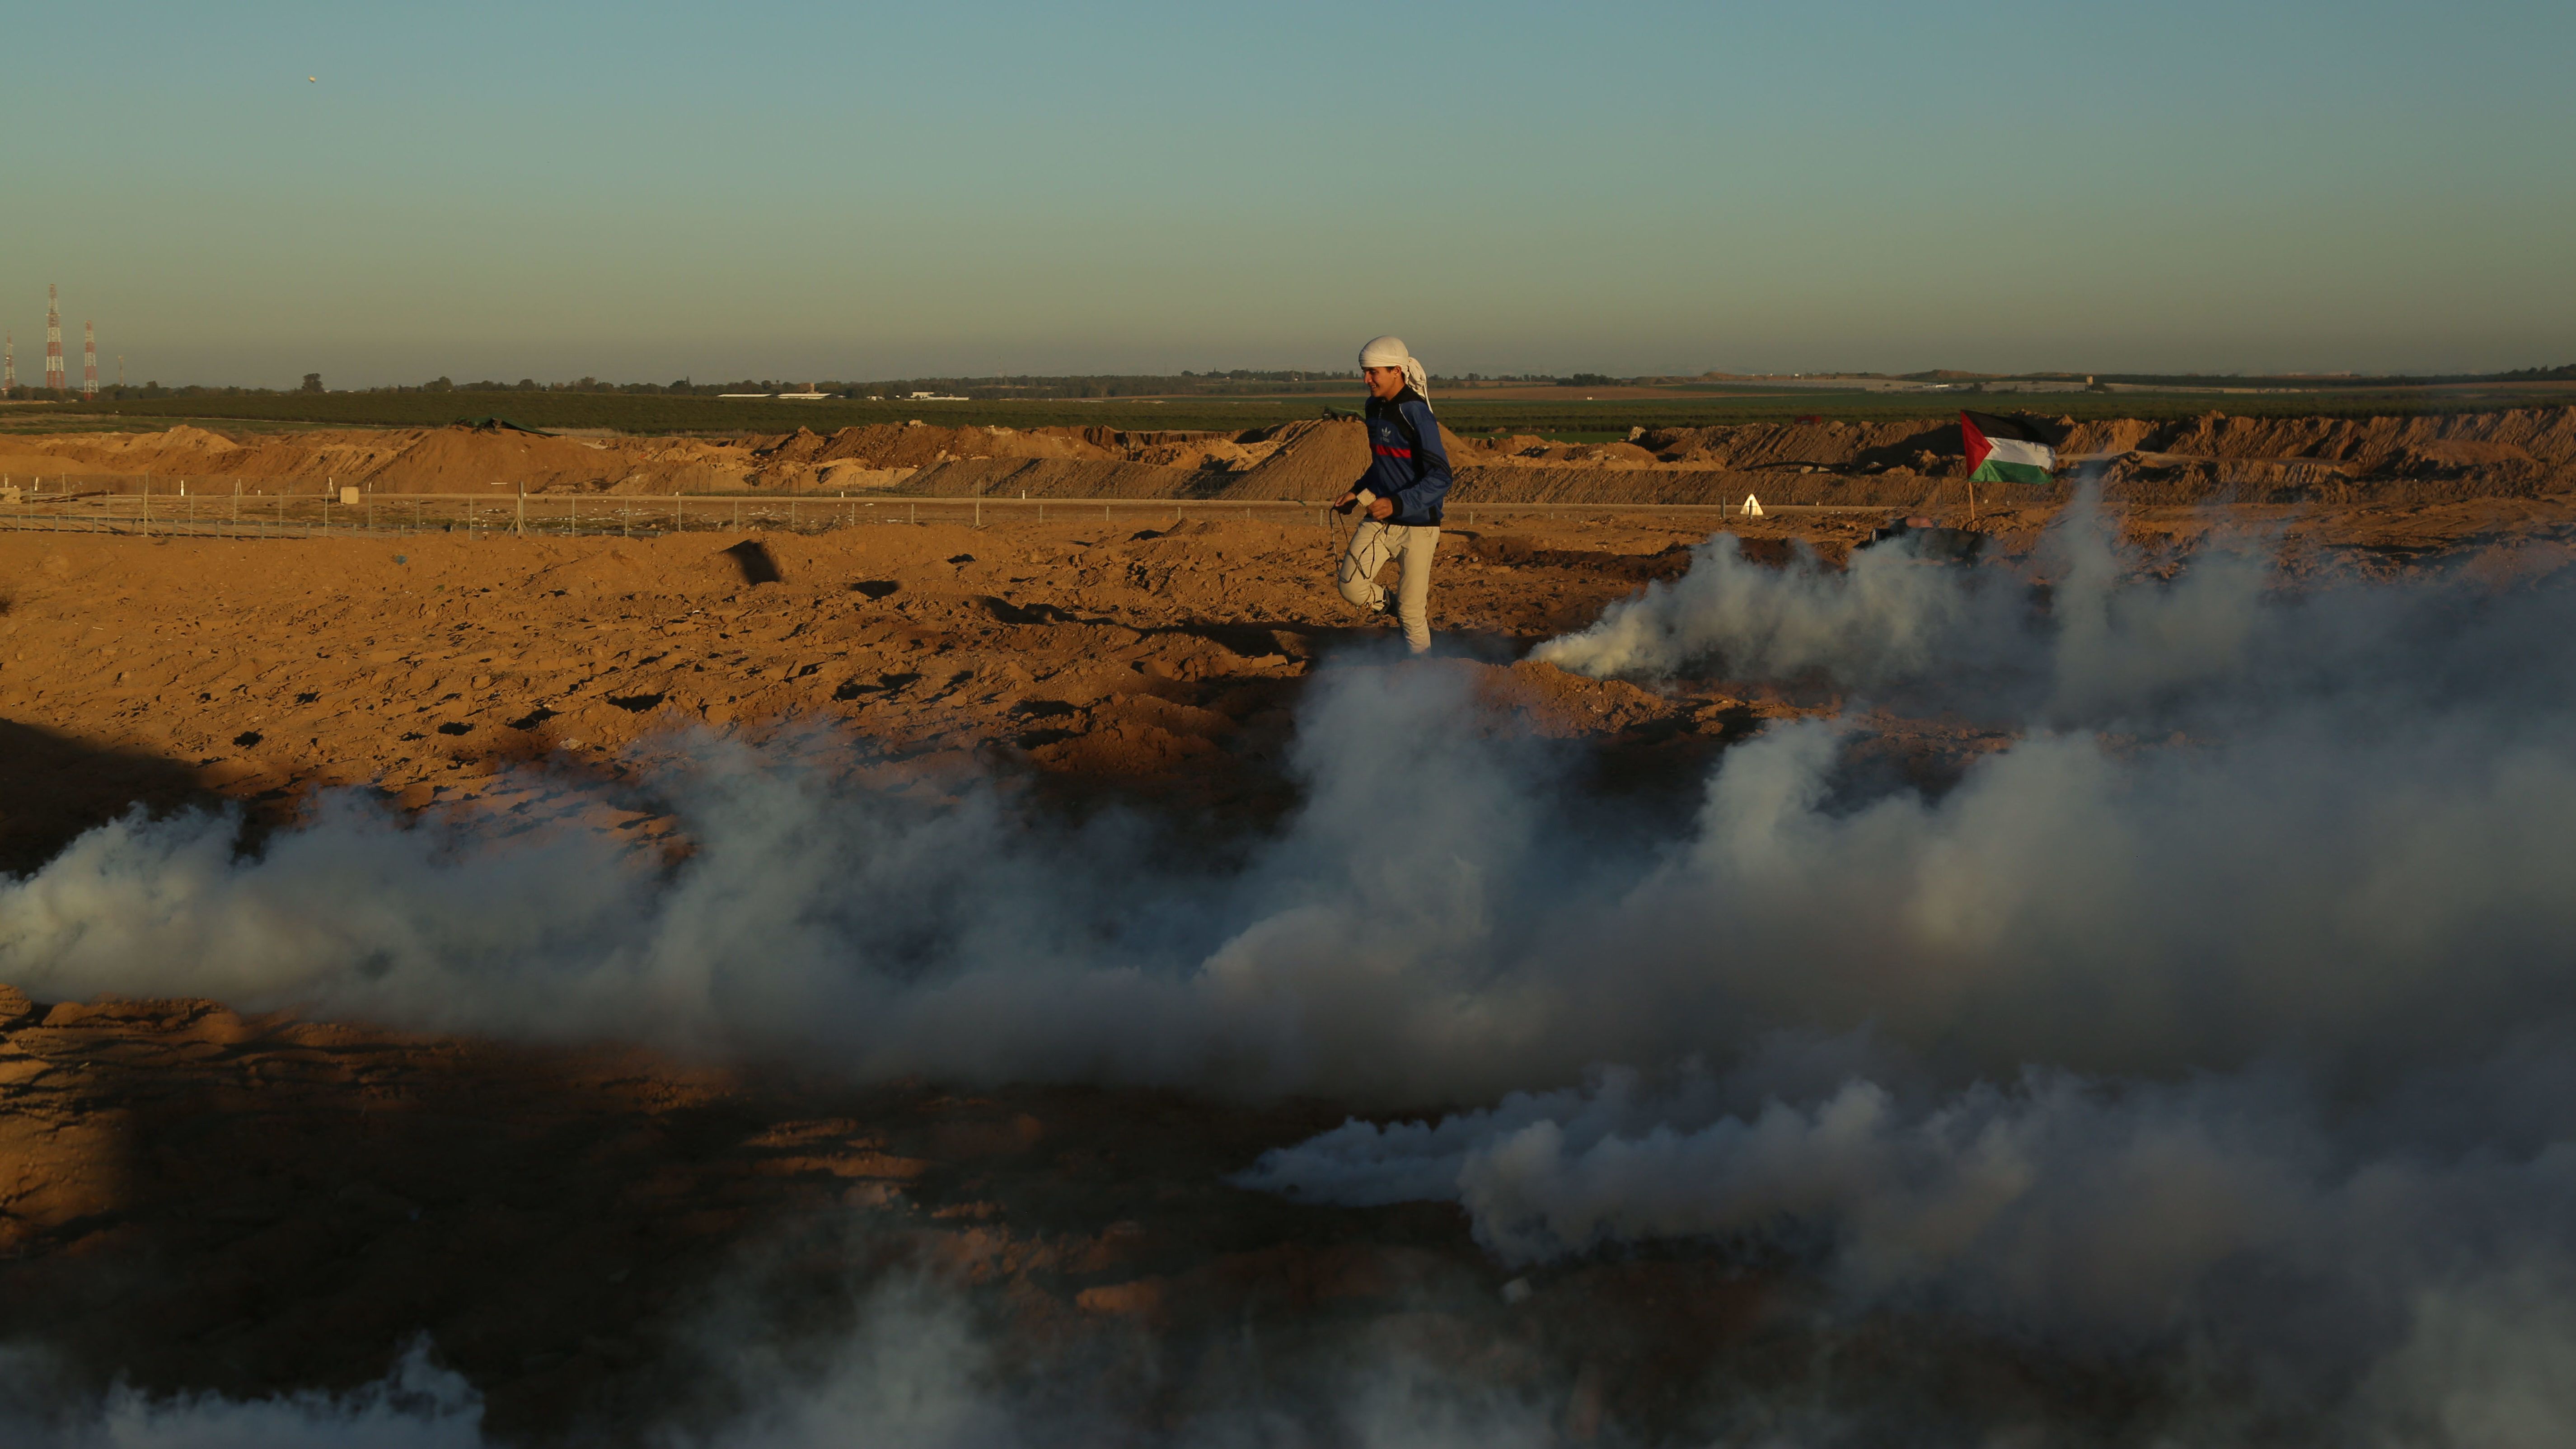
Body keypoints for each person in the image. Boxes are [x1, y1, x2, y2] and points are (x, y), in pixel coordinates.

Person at [1331, 335, 1451, 653]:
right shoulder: (1373, 408)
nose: (1366, 379)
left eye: (1374, 372)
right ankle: (1395, 606)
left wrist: (1398, 502)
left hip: (1419, 526)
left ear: (1397, 371)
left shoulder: (1417, 414)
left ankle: (1422, 677)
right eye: (1365, 372)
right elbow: (1383, 463)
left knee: (1414, 615)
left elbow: (1441, 477)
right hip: (1379, 519)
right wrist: (1357, 492)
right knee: (1351, 586)